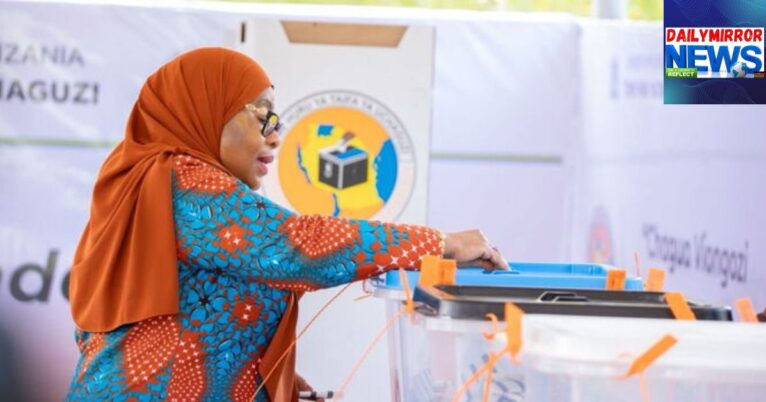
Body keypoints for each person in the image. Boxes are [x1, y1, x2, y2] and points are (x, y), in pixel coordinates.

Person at [66, 47, 507, 402]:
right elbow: (300, 247)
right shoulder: (183, 181)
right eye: (262, 116)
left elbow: (191, 315)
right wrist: (439, 243)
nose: (276, 136)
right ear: (206, 110)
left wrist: (264, 375)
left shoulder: (156, 181)